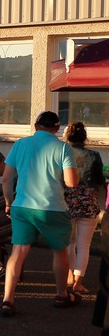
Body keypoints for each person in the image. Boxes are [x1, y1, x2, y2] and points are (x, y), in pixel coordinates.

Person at [0, 111, 79, 317]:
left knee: (18, 251)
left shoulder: (19, 144)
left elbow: (6, 179)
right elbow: (71, 182)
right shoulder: (63, 148)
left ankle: (8, 300)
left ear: (36, 126)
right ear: (57, 128)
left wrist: (9, 203)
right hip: (53, 207)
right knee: (60, 251)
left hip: (22, 206)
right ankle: (61, 295)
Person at [64, 122, 105, 295]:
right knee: (84, 246)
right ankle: (78, 283)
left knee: (69, 242)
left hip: (67, 201)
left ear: (68, 137)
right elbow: (100, 180)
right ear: (85, 138)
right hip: (88, 201)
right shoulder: (93, 155)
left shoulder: (62, 153)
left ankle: (68, 276)